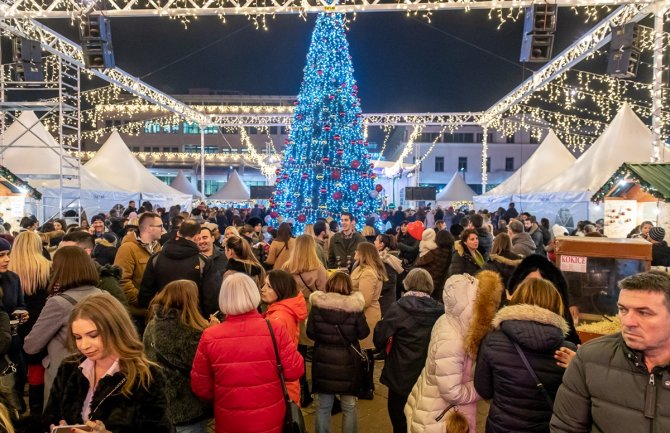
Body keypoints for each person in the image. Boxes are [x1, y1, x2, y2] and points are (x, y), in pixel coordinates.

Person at [551, 271, 670, 432]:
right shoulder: (589, 358)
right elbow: (565, 427)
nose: (628, 322)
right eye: (623, 310)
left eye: (643, 313)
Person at [191, 273, 304, 433]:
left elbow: (201, 387)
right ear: (253, 294)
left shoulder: (210, 336)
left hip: (230, 418)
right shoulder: (274, 329)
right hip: (270, 417)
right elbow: (295, 370)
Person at [43, 293, 172, 433]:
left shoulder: (146, 377)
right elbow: (49, 417)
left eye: (93, 335)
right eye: (77, 337)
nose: (84, 345)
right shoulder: (69, 367)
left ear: (116, 329)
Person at [404, 271, 503, 433]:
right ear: (471, 303)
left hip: (432, 406)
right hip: (440, 418)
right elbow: (452, 392)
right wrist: (480, 388)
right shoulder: (454, 341)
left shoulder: (447, 320)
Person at [474, 278, 577, 433]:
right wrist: (579, 368)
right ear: (556, 306)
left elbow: (484, 390)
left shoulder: (493, 340)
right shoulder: (568, 352)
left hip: (501, 427)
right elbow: (575, 403)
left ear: (517, 301)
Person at [23, 246, 103, 406]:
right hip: (98, 373)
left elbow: (31, 345)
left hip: (64, 378)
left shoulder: (58, 303)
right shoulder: (104, 296)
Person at [373, 268, 443, 433]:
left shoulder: (398, 308)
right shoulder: (440, 310)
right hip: (427, 373)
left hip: (400, 372)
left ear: (408, 284)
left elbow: (379, 338)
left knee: (398, 416)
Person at [144, 280, 212, 433]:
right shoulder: (191, 334)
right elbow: (203, 369)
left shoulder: (151, 325)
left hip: (161, 404)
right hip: (189, 408)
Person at [307, 272, 369, 433]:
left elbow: (310, 333)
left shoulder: (317, 306)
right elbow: (364, 333)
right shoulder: (355, 308)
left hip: (323, 361)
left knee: (323, 407)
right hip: (348, 362)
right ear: (349, 287)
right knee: (349, 406)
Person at [8, 232, 50, 415]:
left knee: (15, 367)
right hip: (42, 323)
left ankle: (16, 408)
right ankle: (36, 408)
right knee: (37, 367)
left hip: (15, 325)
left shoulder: (9, 270)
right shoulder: (48, 267)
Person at [507, 254, 581, 345]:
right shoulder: (504, 323)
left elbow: (573, 340)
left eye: (540, 284)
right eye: (528, 282)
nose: (533, 289)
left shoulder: (562, 315)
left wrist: (573, 357)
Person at [261, 270, 307, 405]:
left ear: (281, 289)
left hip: (281, 385)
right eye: (264, 284)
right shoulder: (283, 312)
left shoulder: (278, 318)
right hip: (287, 383)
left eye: (269, 286)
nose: (263, 289)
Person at [139, 219, 208, 308]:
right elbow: (209, 296)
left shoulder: (156, 258)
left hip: (162, 315)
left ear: (178, 234)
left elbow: (145, 296)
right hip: (193, 316)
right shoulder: (203, 261)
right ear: (197, 237)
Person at [351, 242, 386, 399]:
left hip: (366, 315)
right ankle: (365, 384)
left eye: (357, 251)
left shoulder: (368, 273)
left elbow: (364, 300)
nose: (355, 253)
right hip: (362, 314)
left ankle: (366, 387)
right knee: (363, 351)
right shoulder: (361, 268)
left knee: (365, 351)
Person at [114, 212, 163, 321]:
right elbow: (122, 280)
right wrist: (141, 300)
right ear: (149, 228)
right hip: (137, 314)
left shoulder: (157, 247)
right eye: (160, 226)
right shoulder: (127, 249)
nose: (162, 230)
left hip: (154, 311)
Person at [59, 232, 128, 308]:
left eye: (68, 252)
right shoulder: (57, 274)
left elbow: (121, 313)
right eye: (59, 252)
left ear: (86, 252)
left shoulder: (105, 280)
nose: (61, 256)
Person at [416, 229, 454, 302]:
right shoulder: (450, 252)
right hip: (440, 282)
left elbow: (419, 263)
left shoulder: (435, 251)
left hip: (429, 281)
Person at [198, 226, 228, 316]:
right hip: (199, 310)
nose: (201, 241)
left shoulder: (225, 256)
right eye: (198, 238)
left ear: (212, 238)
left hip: (223, 308)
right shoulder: (192, 259)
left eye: (204, 237)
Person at [373, 234, 403, 316]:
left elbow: (390, 281)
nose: (374, 242)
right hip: (384, 297)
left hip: (385, 299)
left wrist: (376, 288)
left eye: (376, 240)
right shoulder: (382, 257)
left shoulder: (387, 259)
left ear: (381, 244)